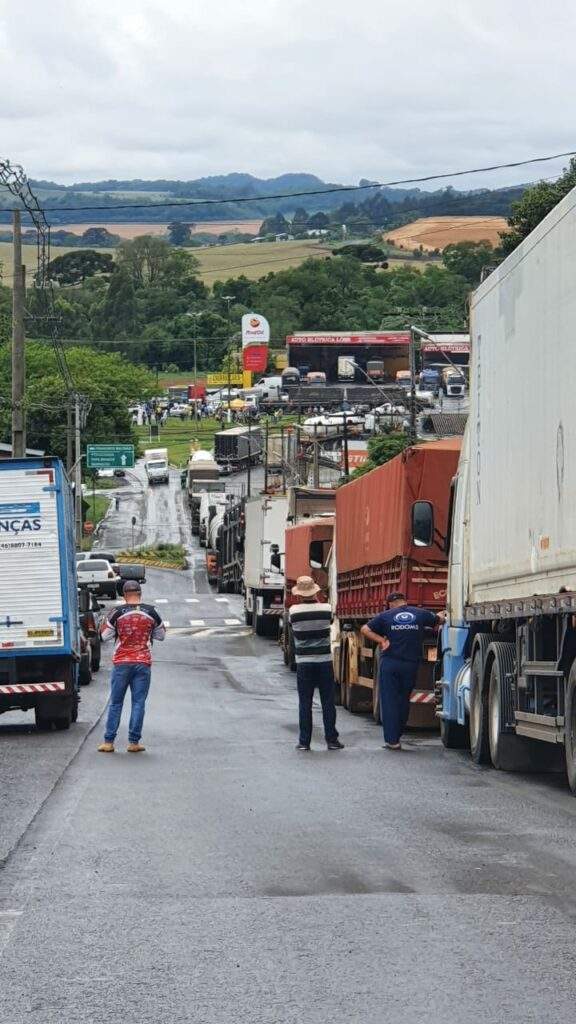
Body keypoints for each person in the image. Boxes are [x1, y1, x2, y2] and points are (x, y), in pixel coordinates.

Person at [361, 592, 445, 750]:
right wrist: (441, 614)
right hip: (410, 665)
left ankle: (392, 740)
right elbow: (439, 620)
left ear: (390, 604)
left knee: (389, 700)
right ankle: (398, 732)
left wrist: (382, 641)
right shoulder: (420, 614)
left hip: (390, 664)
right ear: (404, 601)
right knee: (404, 699)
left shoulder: (385, 616)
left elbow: (364, 629)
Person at [98, 581, 166, 754]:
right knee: (138, 703)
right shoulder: (152, 612)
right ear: (140, 593)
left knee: (116, 703)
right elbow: (161, 635)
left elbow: (104, 636)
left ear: (124, 595)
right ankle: (134, 742)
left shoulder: (116, 613)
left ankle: (109, 742)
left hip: (121, 663)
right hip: (143, 663)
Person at [289, 575, 344, 752]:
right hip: (324, 661)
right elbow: (330, 622)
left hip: (304, 663)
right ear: (315, 592)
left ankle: (304, 742)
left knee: (305, 703)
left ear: (299, 594)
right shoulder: (326, 609)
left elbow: (292, 627)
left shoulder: (293, 611)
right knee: (328, 702)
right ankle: (332, 740)